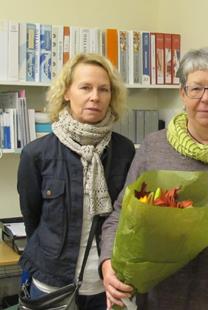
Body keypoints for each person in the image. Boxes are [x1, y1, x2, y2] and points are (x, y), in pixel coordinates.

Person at [100, 47, 208, 310]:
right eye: (196, 88)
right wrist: (107, 264)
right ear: (183, 94)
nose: (206, 98)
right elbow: (120, 215)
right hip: (156, 299)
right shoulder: (154, 147)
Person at [17, 53, 135, 309]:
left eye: (104, 89)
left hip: (108, 284)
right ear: (67, 93)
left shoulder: (125, 151)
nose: (95, 96)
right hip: (52, 284)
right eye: (85, 87)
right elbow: (32, 219)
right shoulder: (36, 154)